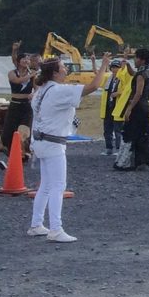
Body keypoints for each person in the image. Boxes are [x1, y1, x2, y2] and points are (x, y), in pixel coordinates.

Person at [29, 53, 109, 241]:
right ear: (55, 73)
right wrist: (104, 65)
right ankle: (55, 229)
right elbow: (93, 86)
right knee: (58, 186)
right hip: (53, 143)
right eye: (63, 67)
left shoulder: (41, 90)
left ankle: (36, 224)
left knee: (46, 185)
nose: (66, 69)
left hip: (40, 141)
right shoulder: (58, 90)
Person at [0, 41, 36, 163]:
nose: (26, 60)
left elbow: (37, 88)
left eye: (28, 59)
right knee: (9, 130)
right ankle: (2, 145)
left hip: (27, 106)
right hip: (15, 105)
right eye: (24, 58)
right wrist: (14, 50)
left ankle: (23, 152)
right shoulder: (12, 73)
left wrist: (34, 94)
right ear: (18, 61)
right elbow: (17, 81)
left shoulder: (32, 75)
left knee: (25, 130)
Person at [119, 48, 149, 170]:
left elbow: (138, 93)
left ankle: (130, 161)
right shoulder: (148, 71)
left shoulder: (141, 75)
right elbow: (133, 74)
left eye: (136, 58)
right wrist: (128, 65)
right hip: (145, 105)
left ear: (142, 60)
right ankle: (142, 161)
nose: (134, 60)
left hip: (138, 107)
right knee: (143, 133)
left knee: (133, 133)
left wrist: (129, 108)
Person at [99, 59, 125, 158]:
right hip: (107, 107)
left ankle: (119, 149)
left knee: (118, 130)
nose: (115, 69)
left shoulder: (122, 79)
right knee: (107, 129)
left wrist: (118, 93)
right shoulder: (108, 78)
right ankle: (109, 148)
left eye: (116, 67)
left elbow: (127, 89)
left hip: (117, 107)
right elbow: (98, 75)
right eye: (113, 67)